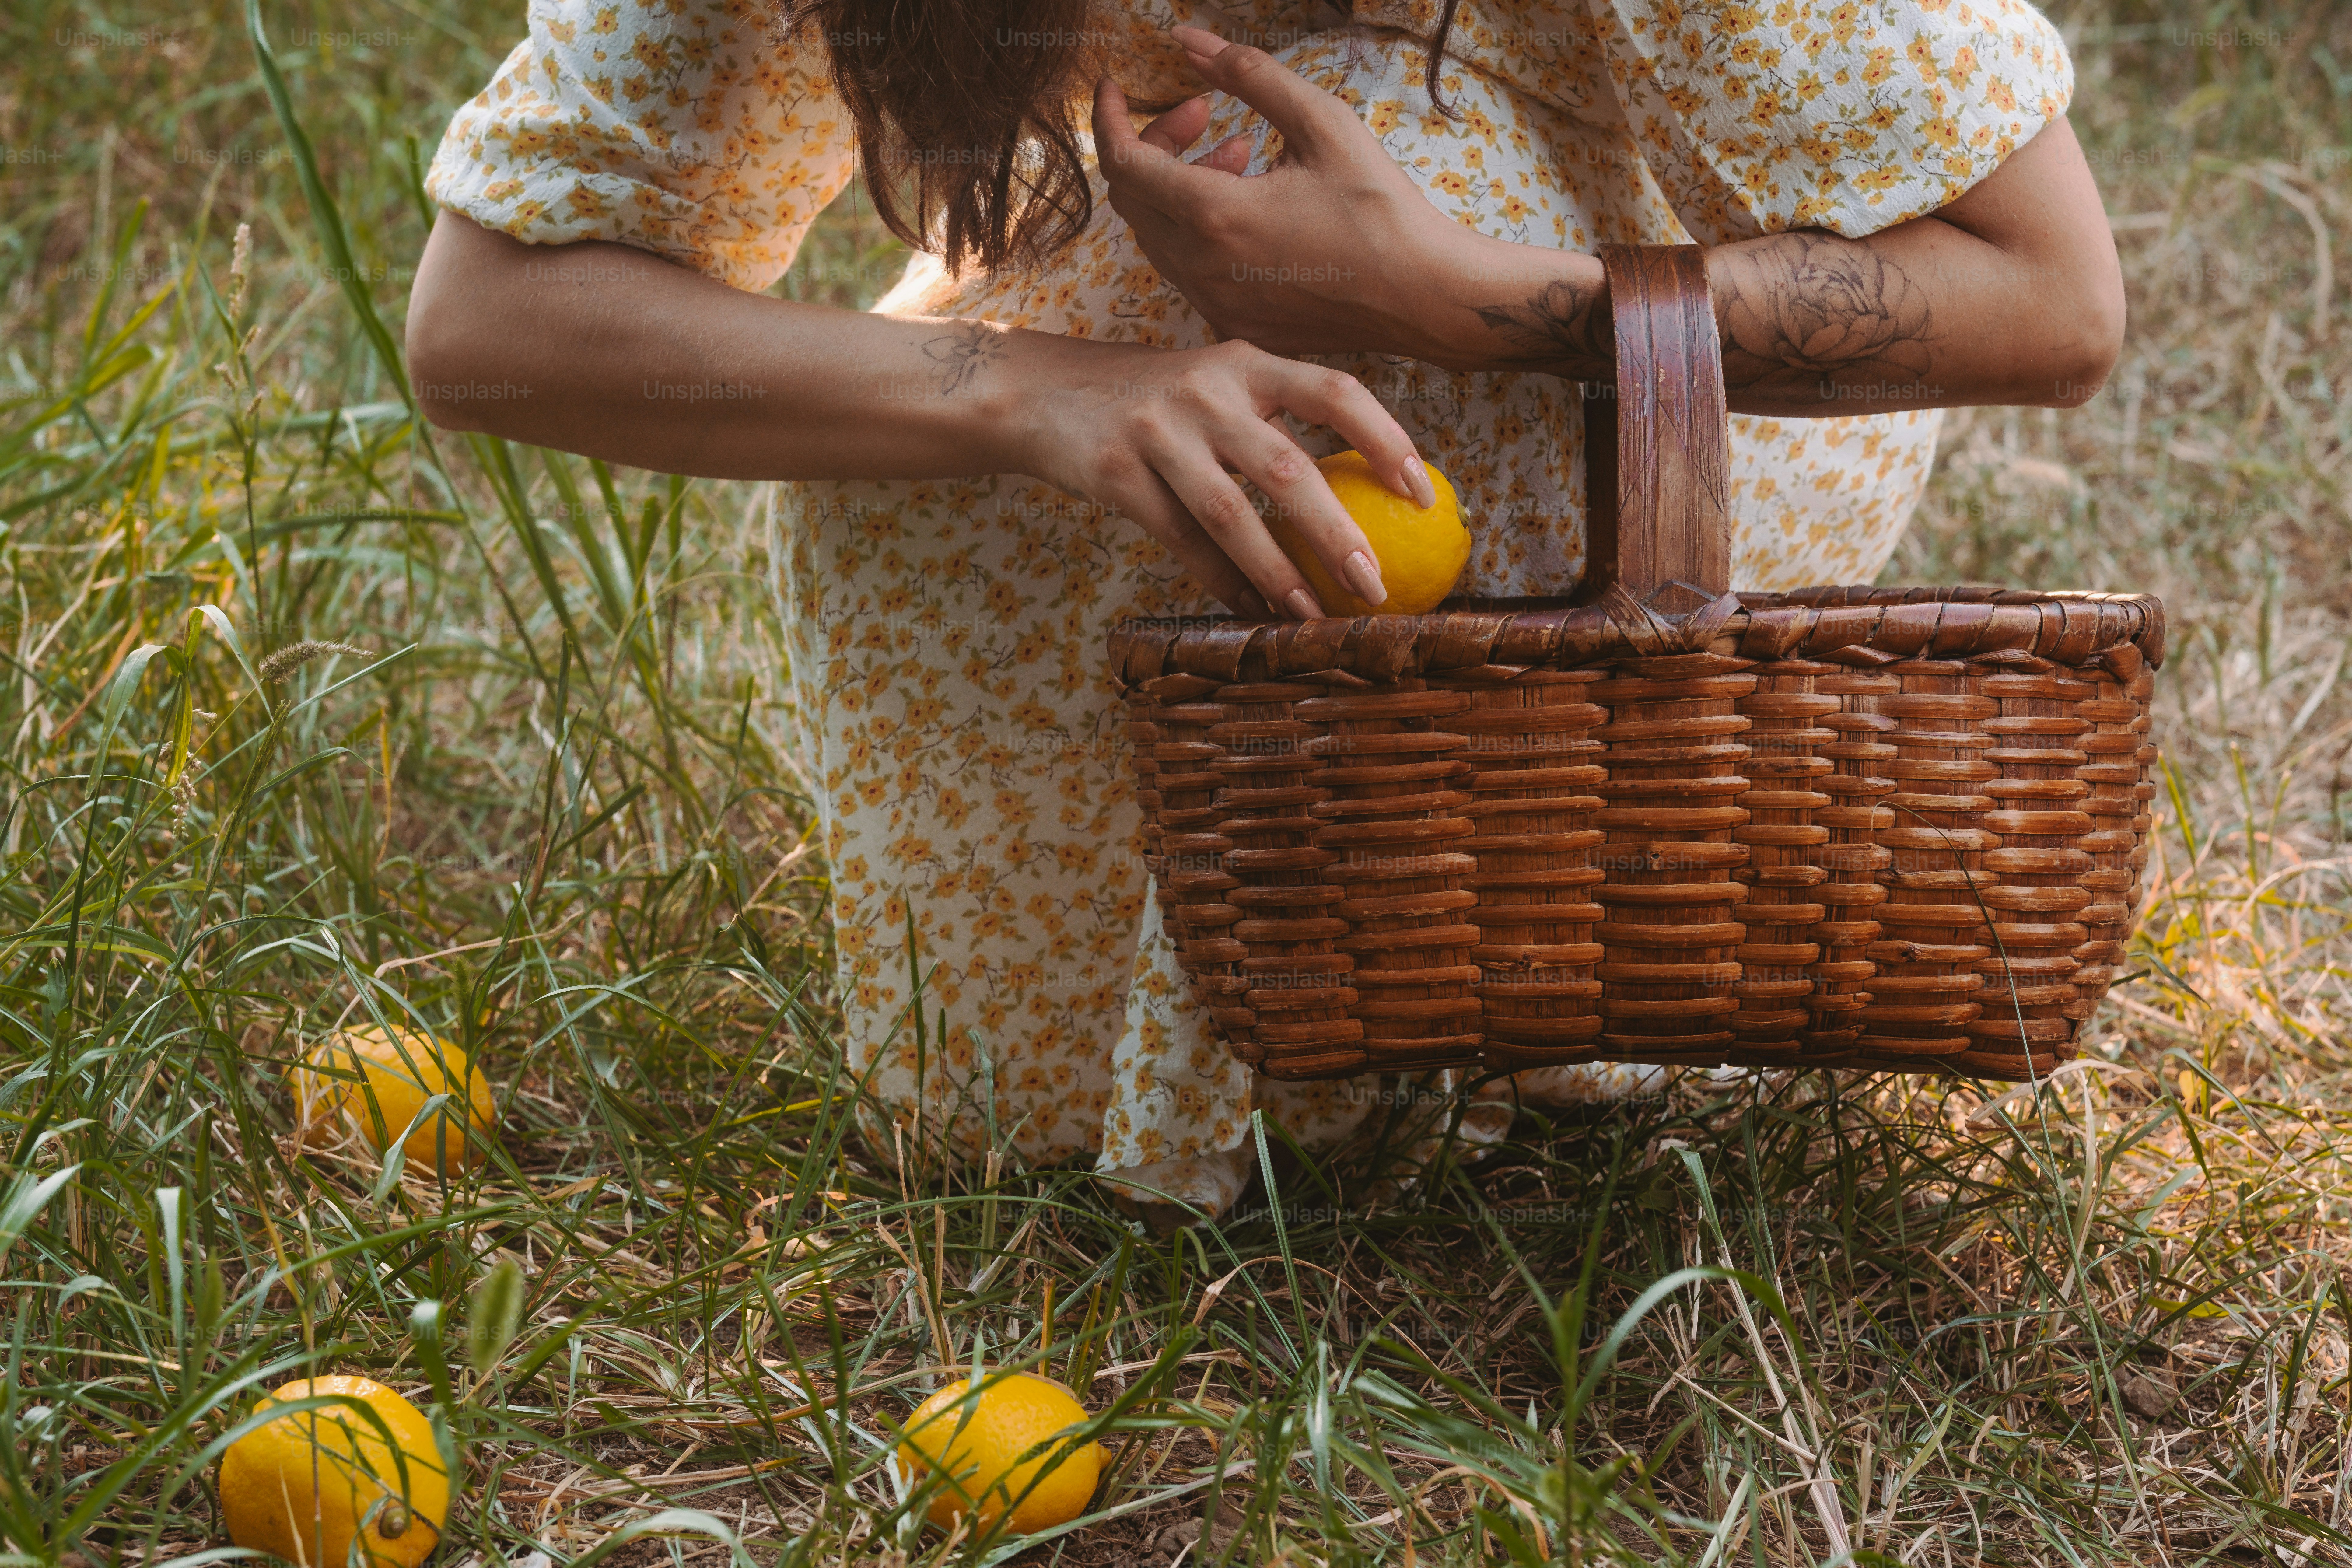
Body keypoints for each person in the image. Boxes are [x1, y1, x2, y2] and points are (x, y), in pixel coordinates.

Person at [406, 0, 2123, 1220]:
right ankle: (1212, 1023)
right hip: (1072, 498)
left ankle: (1541, 987)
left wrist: (1469, 304)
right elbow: (488, 322)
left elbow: (2050, 296)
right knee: (993, 1125)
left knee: (1425, 192)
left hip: (1647, 448)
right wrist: (1035, 393)